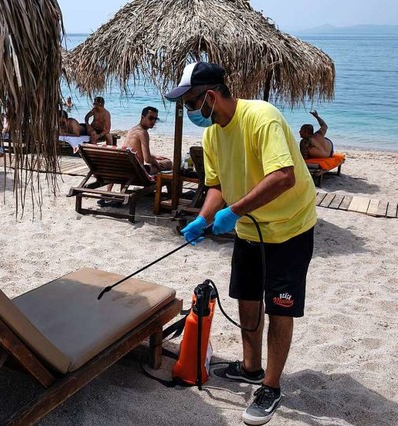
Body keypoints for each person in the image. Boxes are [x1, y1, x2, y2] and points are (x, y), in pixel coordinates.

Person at [165, 62, 317, 426]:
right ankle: (251, 368)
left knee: (280, 308)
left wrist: (233, 211)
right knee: (247, 299)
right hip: (250, 230)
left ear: (211, 96)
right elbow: (216, 185)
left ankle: (271, 386)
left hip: (289, 229)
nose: (188, 111)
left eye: (190, 102)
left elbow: (283, 176)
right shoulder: (212, 135)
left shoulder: (262, 117)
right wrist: (204, 217)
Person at [122, 106, 172, 174]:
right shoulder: (143, 133)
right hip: (138, 172)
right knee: (168, 163)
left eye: (155, 119)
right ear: (143, 117)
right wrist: (157, 164)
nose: (153, 121)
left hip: (126, 168)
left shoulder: (132, 130)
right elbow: (147, 159)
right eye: (151, 118)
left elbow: (133, 150)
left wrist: (154, 156)